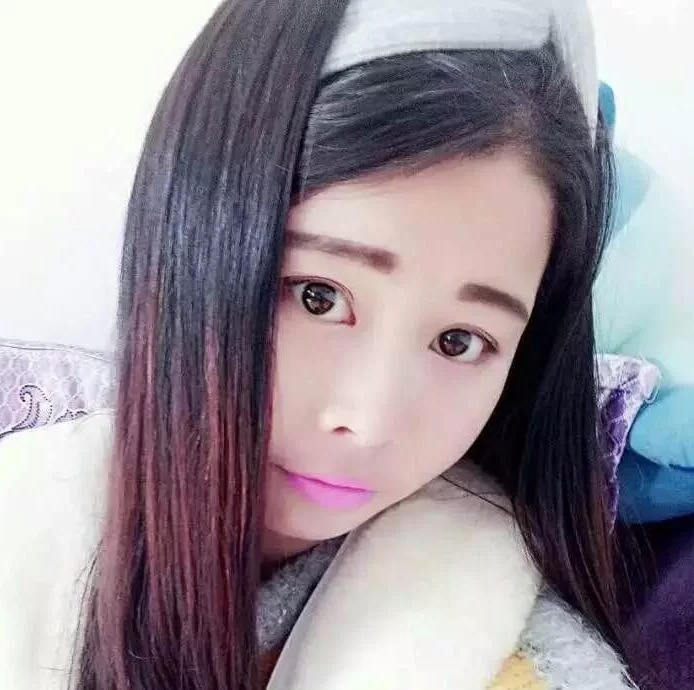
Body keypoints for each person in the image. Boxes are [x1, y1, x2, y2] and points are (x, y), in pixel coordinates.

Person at [0, 0, 639, 688]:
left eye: (459, 341)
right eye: (318, 297)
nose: (368, 421)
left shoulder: (510, 658)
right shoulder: (33, 525)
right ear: (187, 242)